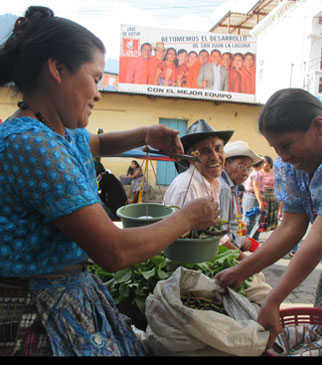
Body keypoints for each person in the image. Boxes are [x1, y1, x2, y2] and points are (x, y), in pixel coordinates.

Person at [0, 6, 221, 356]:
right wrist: (188, 218)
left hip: (69, 293)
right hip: (36, 312)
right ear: (57, 69)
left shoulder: (62, 132)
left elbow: (98, 144)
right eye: (96, 78)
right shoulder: (29, 143)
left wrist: (145, 134)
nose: (99, 93)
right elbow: (114, 252)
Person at [215, 88, 322, 350]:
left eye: (286, 145)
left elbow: (318, 236)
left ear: (319, 126)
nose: (283, 157)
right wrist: (242, 270)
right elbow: (290, 227)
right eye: (276, 148)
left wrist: (274, 298)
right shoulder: (292, 166)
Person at [164, 119, 234, 208]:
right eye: (206, 151)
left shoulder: (214, 183)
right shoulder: (187, 188)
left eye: (218, 149)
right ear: (190, 157)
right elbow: (178, 222)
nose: (215, 157)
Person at [219, 141, 263, 252]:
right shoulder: (224, 189)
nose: (246, 174)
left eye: (249, 168)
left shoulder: (230, 186)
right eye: (242, 166)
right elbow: (220, 233)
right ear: (225, 164)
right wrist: (242, 241)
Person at [242, 159, 265, 240]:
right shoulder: (256, 174)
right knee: (252, 219)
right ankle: (247, 238)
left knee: (246, 217)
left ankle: (244, 237)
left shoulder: (250, 172)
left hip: (247, 195)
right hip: (253, 197)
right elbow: (256, 189)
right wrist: (260, 203)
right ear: (261, 164)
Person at [257, 155, 279, 234]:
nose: (263, 164)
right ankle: (257, 231)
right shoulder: (259, 173)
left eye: (265, 162)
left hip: (273, 195)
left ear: (270, 163)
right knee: (263, 215)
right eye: (262, 162)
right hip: (264, 195)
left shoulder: (274, 172)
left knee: (273, 215)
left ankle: (272, 230)